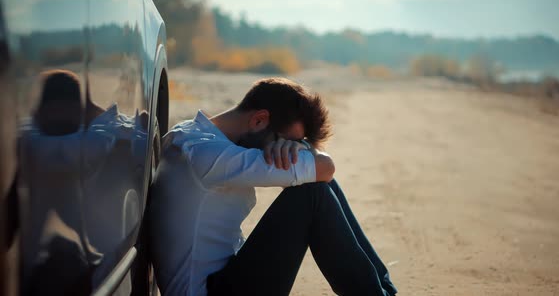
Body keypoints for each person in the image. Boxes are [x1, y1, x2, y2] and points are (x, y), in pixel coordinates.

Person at [149, 78, 397, 296]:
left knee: (318, 184)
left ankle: (381, 290)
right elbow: (326, 167)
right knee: (313, 193)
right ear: (259, 120)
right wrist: (304, 153)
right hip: (212, 291)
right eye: (285, 141)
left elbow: (321, 170)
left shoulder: (191, 134)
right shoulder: (209, 156)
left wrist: (299, 147)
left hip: (223, 280)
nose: (286, 149)